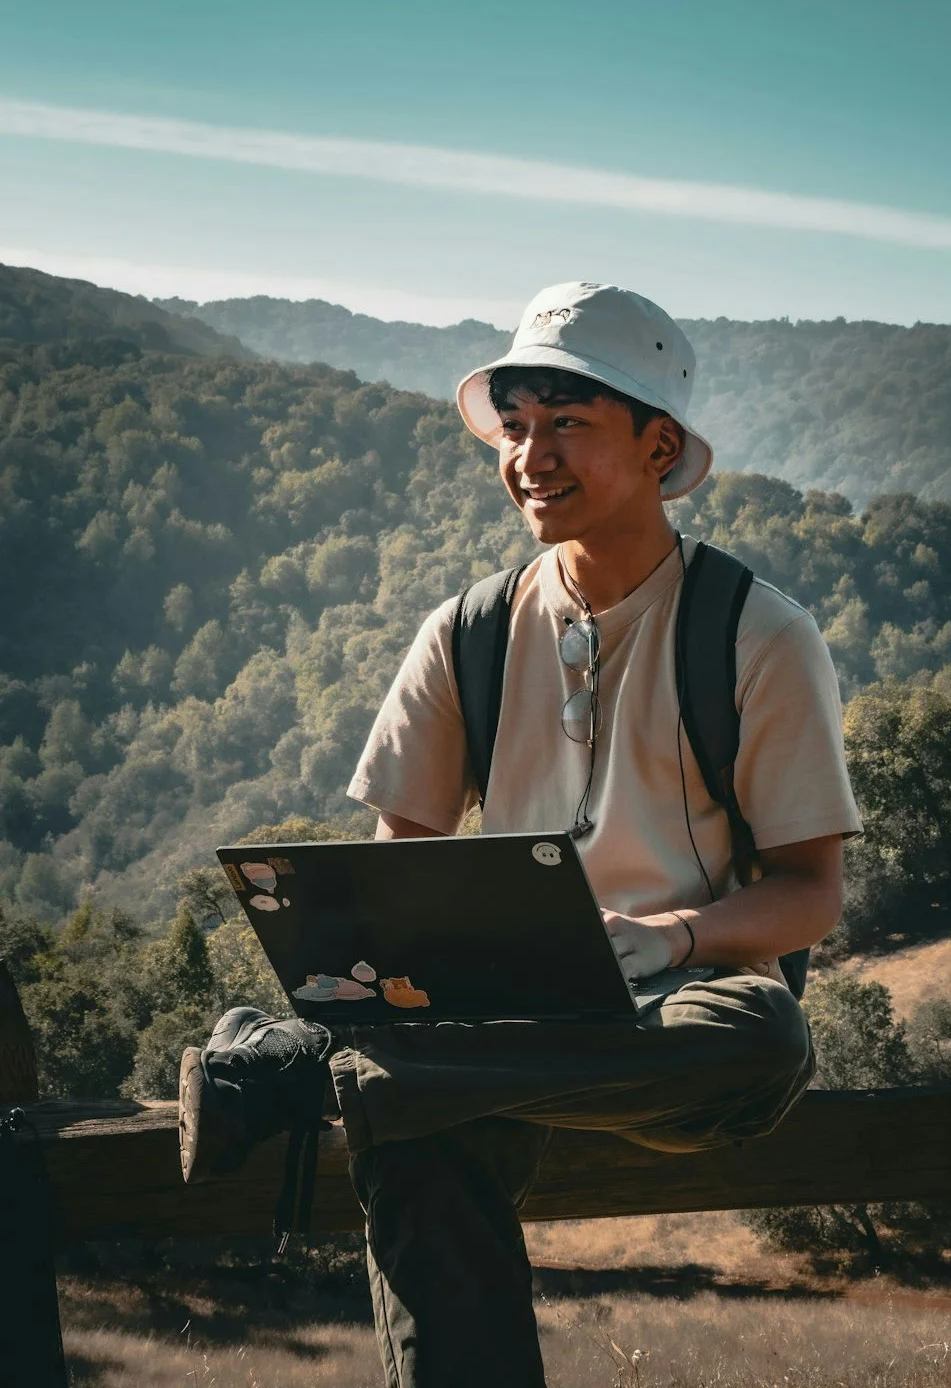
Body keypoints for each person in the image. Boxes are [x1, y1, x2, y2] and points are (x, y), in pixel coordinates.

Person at [180, 280, 863, 1388]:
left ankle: (319, 1070)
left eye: (566, 425)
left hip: (682, 1000)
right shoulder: (468, 632)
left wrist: (670, 937)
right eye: (516, 428)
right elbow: (402, 870)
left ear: (658, 447)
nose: (528, 456)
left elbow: (809, 894)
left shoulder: (759, 634)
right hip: (491, 1013)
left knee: (763, 1041)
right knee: (425, 1131)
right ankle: (382, 1072)